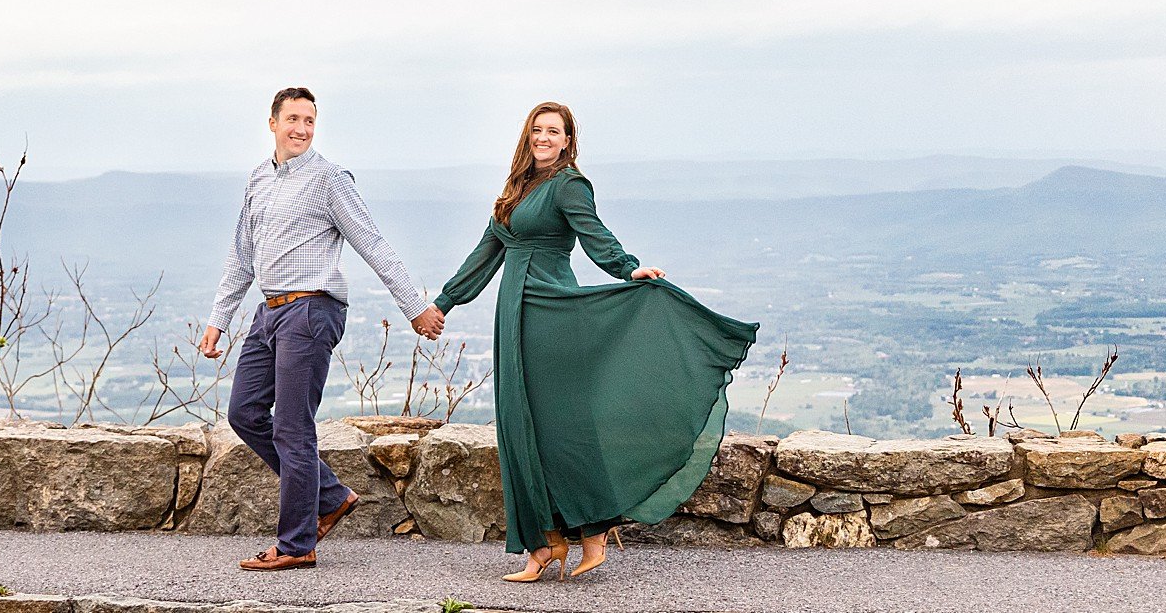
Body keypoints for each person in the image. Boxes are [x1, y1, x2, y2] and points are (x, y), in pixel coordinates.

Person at [420, 101, 758, 581]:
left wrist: (628, 268)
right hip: (513, 316)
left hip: (551, 312)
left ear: (568, 140)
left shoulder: (569, 184)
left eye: (553, 131)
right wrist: (444, 303)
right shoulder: (517, 188)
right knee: (521, 428)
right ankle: (545, 545)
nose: (543, 138)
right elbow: (487, 251)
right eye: (537, 130)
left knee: (562, 425)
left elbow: (595, 236)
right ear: (527, 135)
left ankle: (594, 536)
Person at [198, 86, 445, 572]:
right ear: (273, 122)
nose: (302, 129)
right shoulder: (257, 180)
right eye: (293, 119)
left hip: (312, 310)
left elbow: (371, 241)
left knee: (292, 426)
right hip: (268, 311)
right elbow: (240, 256)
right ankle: (330, 496)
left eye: (310, 120)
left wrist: (414, 306)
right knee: (244, 412)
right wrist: (217, 319)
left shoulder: (330, 179)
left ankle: (296, 544)